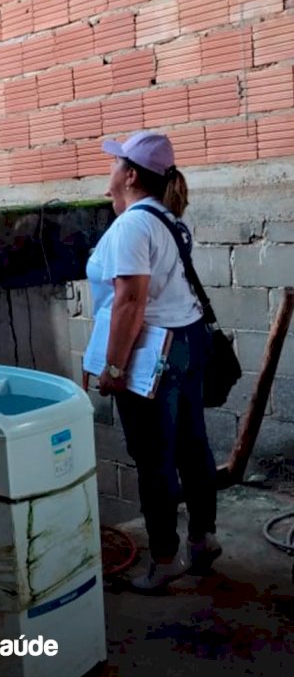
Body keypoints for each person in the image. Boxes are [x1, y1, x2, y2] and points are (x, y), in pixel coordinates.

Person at [85, 130, 221, 592]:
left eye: (115, 165)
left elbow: (129, 301)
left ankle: (164, 559)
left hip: (153, 351)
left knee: (154, 459)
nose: (109, 174)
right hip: (187, 340)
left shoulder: (130, 226)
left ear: (129, 175)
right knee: (192, 448)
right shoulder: (167, 218)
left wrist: (115, 368)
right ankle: (202, 541)